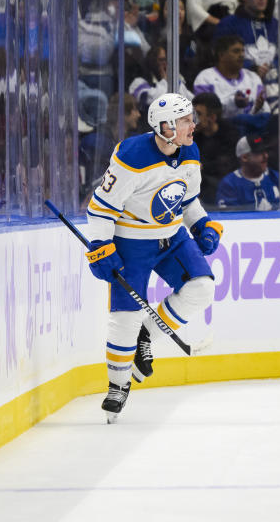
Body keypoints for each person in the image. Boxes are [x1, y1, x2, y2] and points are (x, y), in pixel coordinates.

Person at [84, 93, 223, 421]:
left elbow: (187, 200)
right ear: (165, 127)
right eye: (186, 120)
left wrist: (201, 224)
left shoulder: (189, 150)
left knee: (201, 288)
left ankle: (147, 335)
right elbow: (100, 208)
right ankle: (118, 386)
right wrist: (102, 246)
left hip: (172, 236)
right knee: (124, 318)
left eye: (192, 119)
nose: (194, 125)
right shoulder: (132, 155)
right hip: (132, 242)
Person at [214, 0, 278, 79]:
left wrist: (273, 67)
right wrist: (252, 69)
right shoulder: (228, 24)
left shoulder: (276, 25)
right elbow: (221, 58)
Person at [216, 133, 280, 209]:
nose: (266, 156)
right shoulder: (229, 184)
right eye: (259, 152)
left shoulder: (279, 178)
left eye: (266, 151)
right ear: (244, 157)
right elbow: (230, 218)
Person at [193, 35, 268, 121]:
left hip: (251, 131)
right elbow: (204, 113)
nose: (241, 55)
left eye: (243, 51)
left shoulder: (253, 78)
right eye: (236, 51)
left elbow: (264, 111)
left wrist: (257, 109)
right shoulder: (205, 78)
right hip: (220, 131)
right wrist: (233, 102)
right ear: (221, 55)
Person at [192, 92, 242, 203]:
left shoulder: (231, 134)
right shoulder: (191, 137)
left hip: (225, 186)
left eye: (198, 114)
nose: (193, 119)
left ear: (212, 117)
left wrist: (202, 166)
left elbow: (227, 165)